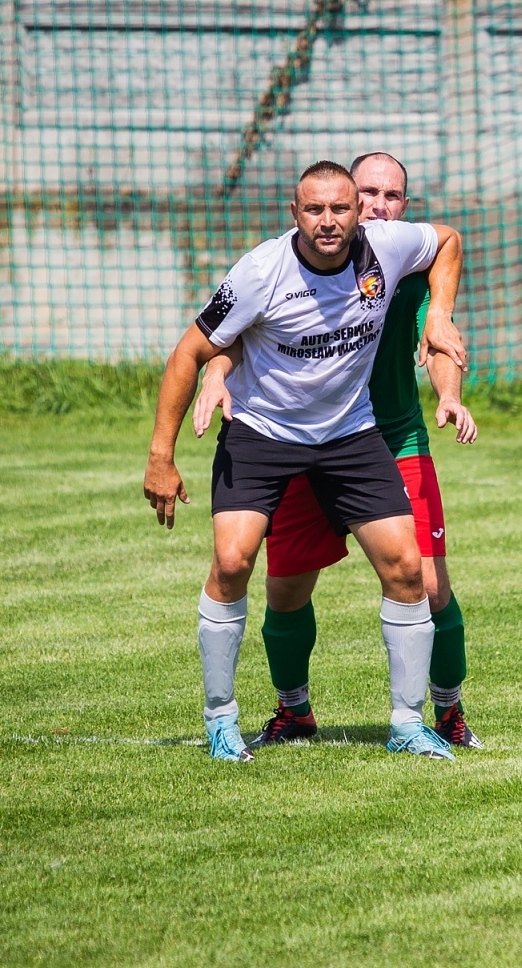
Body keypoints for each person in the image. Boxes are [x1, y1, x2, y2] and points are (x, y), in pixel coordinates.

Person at [143, 160, 467, 762]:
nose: (328, 221)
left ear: (357, 215)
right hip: (264, 434)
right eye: (314, 210)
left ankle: (408, 725)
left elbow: (447, 239)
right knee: (234, 563)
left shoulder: (386, 247)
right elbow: (190, 351)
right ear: (295, 214)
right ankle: (221, 720)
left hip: (350, 435)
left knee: (408, 569)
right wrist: (162, 456)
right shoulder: (261, 271)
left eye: (340, 209)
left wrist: (441, 311)